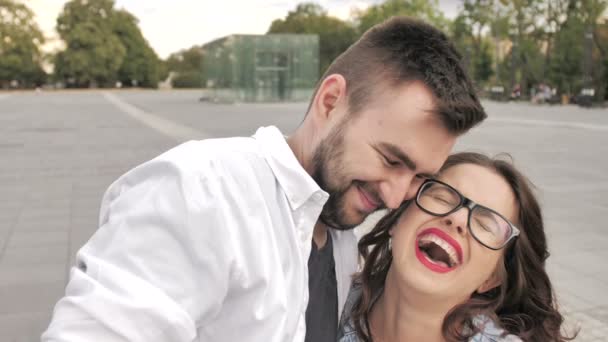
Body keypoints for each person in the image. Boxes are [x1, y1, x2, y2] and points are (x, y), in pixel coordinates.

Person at [42, 17, 485, 342]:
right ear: (330, 101)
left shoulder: (338, 229)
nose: (395, 194)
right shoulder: (203, 191)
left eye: (419, 177)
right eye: (390, 159)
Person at [338, 152, 575, 342]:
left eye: (486, 224)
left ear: (492, 278)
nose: (458, 219)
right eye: (442, 197)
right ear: (398, 218)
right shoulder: (320, 299)